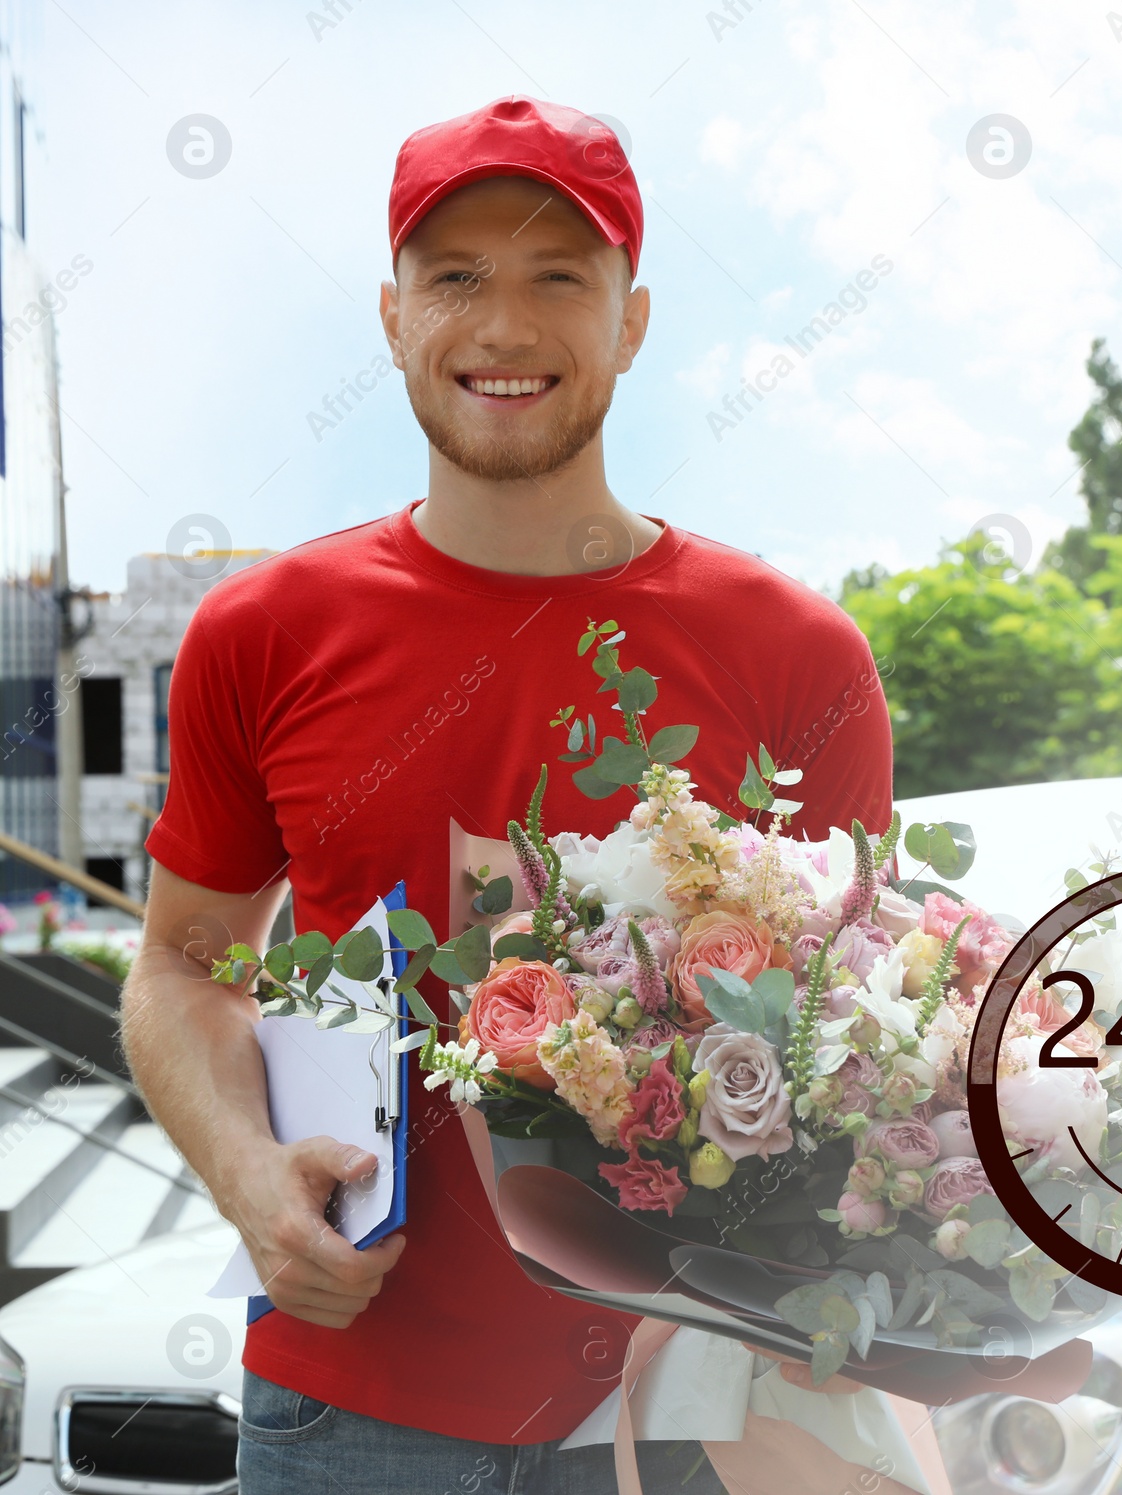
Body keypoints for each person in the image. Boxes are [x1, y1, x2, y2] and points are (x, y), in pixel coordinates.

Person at [120, 95, 894, 1495]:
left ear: (634, 321)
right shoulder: (261, 633)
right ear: (393, 314)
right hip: (352, 1410)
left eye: (559, 276)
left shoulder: (799, 656)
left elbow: (875, 1044)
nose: (503, 325)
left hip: (698, 1411)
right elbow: (181, 965)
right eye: (456, 277)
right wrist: (244, 1175)